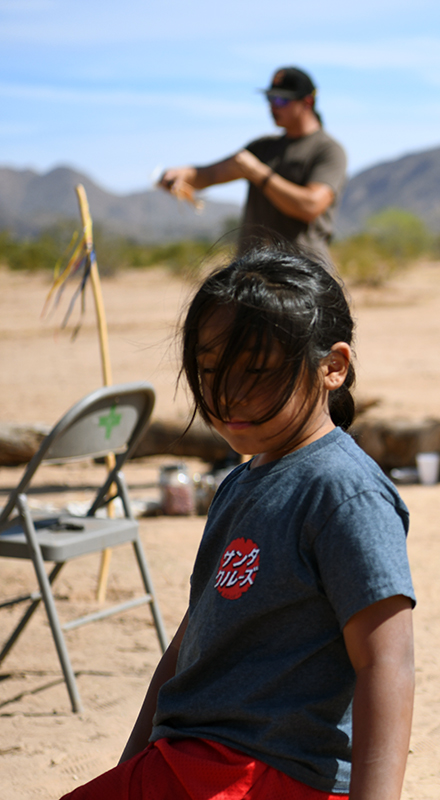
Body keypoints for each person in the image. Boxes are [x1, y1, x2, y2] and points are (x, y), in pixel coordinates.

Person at [64, 250, 415, 798]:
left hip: (266, 775)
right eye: (209, 370)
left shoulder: (345, 492)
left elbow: (386, 663)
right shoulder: (240, 480)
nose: (227, 393)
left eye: (257, 371)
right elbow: (189, 644)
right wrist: (128, 768)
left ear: (333, 366)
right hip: (189, 760)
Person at [158, 67, 348, 267]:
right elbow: (212, 174)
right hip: (253, 270)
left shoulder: (328, 150)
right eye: (270, 99)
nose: (273, 107)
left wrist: (258, 173)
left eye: (281, 100)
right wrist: (182, 175)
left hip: (303, 274)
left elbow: (309, 206)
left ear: (307, 102)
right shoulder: (262, 147)